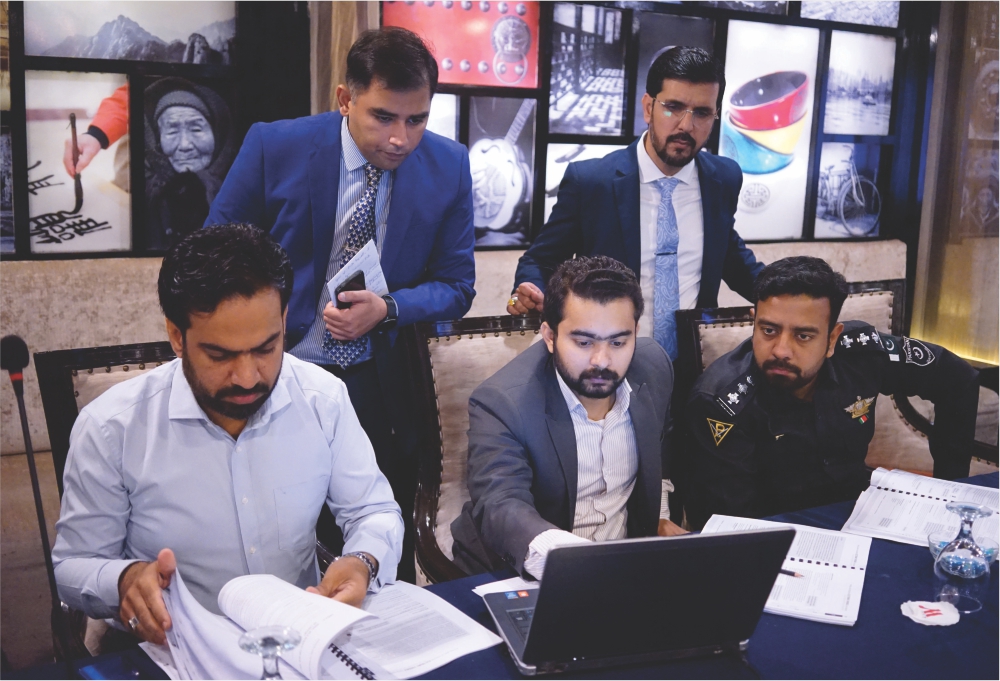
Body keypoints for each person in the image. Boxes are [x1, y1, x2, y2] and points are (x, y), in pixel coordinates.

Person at [205, 27, 476, 582]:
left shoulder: (448, 166)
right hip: (279, 368)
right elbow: (213, 253)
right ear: (345, 99)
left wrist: (389, 307)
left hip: (382, 381)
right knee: (271, 523)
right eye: (383, 117)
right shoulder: (275, 145)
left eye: (416, 119)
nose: (401, 138)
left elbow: (457, 285)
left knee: (377, 529)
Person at [51, 225, 404, 645]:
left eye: (265, 348)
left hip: (297, 642)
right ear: (177, 335)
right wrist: (124, 578)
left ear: (284, 320)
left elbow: (373, 511)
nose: (247, 377)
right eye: (220, 355)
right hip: (175, 647)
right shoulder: (113, 427)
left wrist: (362, 560)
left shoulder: (321, 399)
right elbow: (73, 566)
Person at [683, 256, 981, 527]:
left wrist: (949, 492)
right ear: (753, 322)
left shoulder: (862, 353)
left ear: (832, 339)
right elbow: (729, 525)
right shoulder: (722, 404)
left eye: (803, 335)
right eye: (769, 330)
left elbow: (957, 378)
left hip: (859, 513)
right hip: (777, 535)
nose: (781, 350)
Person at [507, 46, 762, 362]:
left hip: (695, 365)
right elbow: (541, 260)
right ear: (648, 107)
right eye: (673, 107)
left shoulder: (723, 178)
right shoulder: (591, 182)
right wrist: (529, 288)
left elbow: (729, 255)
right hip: (608, 362)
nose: (686, 125)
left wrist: (783, 298)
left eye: (701, 112)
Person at [451, 256, 685, 579]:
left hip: (625, 568)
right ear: (549, 336)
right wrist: (576, 565)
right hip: (519, 573)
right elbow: (501, 504)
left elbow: (661, 445)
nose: (602, 361)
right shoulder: (503, 403)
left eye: (618, 341)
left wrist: (658, 516)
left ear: (635, 332)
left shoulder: (654, 368)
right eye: (583, 342)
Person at [147, 77, 236, 249]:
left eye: (196, 129)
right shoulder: (144, 193)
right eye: (172, 131)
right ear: (158, 140)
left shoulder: (241, 191)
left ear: (217, 134)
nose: (185, 145)